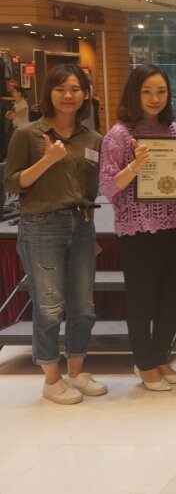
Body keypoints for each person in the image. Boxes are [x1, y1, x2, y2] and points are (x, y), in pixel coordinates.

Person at [5, 64, 106, 404]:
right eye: (60, 88)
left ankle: (76, 372)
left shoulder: (92, 139)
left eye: (75, 89)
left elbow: (92, 189)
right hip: (41, 226)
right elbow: (12, 183)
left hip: (82, 225)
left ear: (85, 94)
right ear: (48, 93)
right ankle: (52, 379)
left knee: (84, 306)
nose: (68, 95)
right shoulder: (27, 134)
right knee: (49, 307)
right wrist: (47, 161)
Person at [99, 64, 176, 392]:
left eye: (161, 91)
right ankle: (145, 363)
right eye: (147, 91)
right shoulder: (119, 135)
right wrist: (135, 165)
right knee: (142, 299)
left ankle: (160, 356)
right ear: (134, 93)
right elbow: (108, 186)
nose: (155, 98)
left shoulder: (174, 131)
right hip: (137, 229)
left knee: (171, 297)